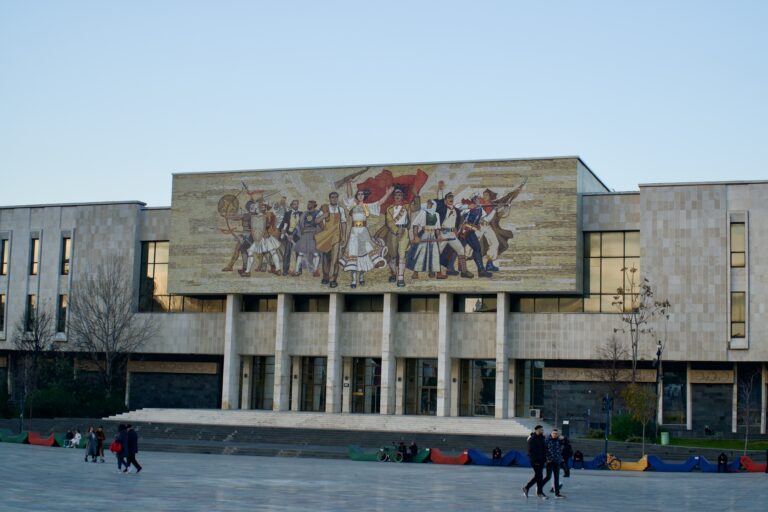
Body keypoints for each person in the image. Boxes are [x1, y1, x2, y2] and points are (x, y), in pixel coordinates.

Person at [315, 191, 347, 289]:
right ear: (329, 198)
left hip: (336, 237)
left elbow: (343, 223)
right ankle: (325, 277)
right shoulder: (324, 209)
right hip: (326, 237)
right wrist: (323, 216)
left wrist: (344, 236)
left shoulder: (340, 209)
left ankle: (333, 279)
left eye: (335, 197)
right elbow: (316, 221)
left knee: (335, 259)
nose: (334, 199)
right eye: (332, 197)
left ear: (337, 198)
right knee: (325, 259)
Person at [522, 425, 548, 499]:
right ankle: (537, 491)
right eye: (541, 430)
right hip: (535, 460)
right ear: (537, 430)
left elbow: (544, 449)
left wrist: (545, 459)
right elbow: (531, 451)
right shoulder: (532, 439)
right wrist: (535, 460)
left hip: (541, 460)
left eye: (543, 429)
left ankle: (529, 488)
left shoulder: (542, 438)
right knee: (539, 476)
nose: (543, 431)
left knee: (539, 476)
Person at [542, 429, 565, 498]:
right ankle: (539, 487)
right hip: (550, 461)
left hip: (557, 461)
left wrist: (564, 438)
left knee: (556, 478)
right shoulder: (547, 441)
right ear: (551, 434)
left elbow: (565, 444)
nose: (555, 435)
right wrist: (547, 459)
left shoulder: (559, 441)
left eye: (556, 434)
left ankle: (557, 493)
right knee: (548, 477)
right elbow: (544, 450)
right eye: (554, 433)